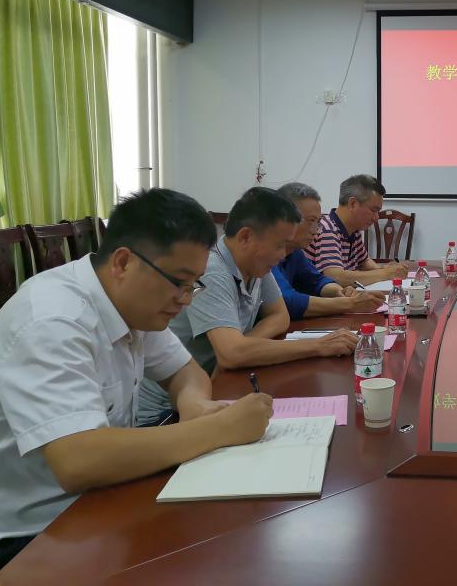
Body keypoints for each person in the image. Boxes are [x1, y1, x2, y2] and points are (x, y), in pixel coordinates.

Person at [0, 189, 274, 586]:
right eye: (179, 283)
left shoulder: (134, 303)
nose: (185, 300)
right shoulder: (52, 320)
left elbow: (186, 372)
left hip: (76, 508)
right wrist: (218, 429)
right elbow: (80, 460)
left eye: (193, 286)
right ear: (123, 262)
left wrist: (195, 405)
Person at [137, 187, 357, 426]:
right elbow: (232, 354)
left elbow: (279, 316)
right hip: (166, 413)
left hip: (210, 391)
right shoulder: (211, 270)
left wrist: (244, 344)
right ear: (245, 237)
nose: (283, 255)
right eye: (279, 245)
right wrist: (318, 345)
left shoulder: (256, 264)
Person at [273, 182, 384, 319]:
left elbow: (317, 280)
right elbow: (286, 301)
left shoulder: (295, 252)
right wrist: (350, 303)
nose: (315, 231)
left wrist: (339, 292)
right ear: (284, 219)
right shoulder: (267, 254)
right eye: (311, 221)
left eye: (317, 222)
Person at [307, 174, 409, 287]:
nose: (376, 218)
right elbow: (336, 277)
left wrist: (387, 269)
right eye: (373, 210)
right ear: (353, 204)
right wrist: (386, 273)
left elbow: (365, 262)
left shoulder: (354, 230)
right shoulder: (327, 229)